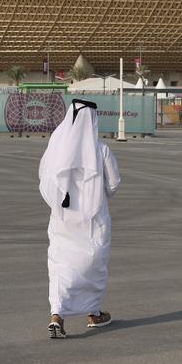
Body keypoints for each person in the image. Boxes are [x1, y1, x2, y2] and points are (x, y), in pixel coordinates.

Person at [39, 99, 121, 339]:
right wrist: (97, 195)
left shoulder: (55, 148)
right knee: (92, 265)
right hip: (93, 219)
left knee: (61, 266)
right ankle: (93, 314)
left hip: (63, 220)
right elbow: (114, 183)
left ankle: (57, 316)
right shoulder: (101, 150)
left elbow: (44, 179)